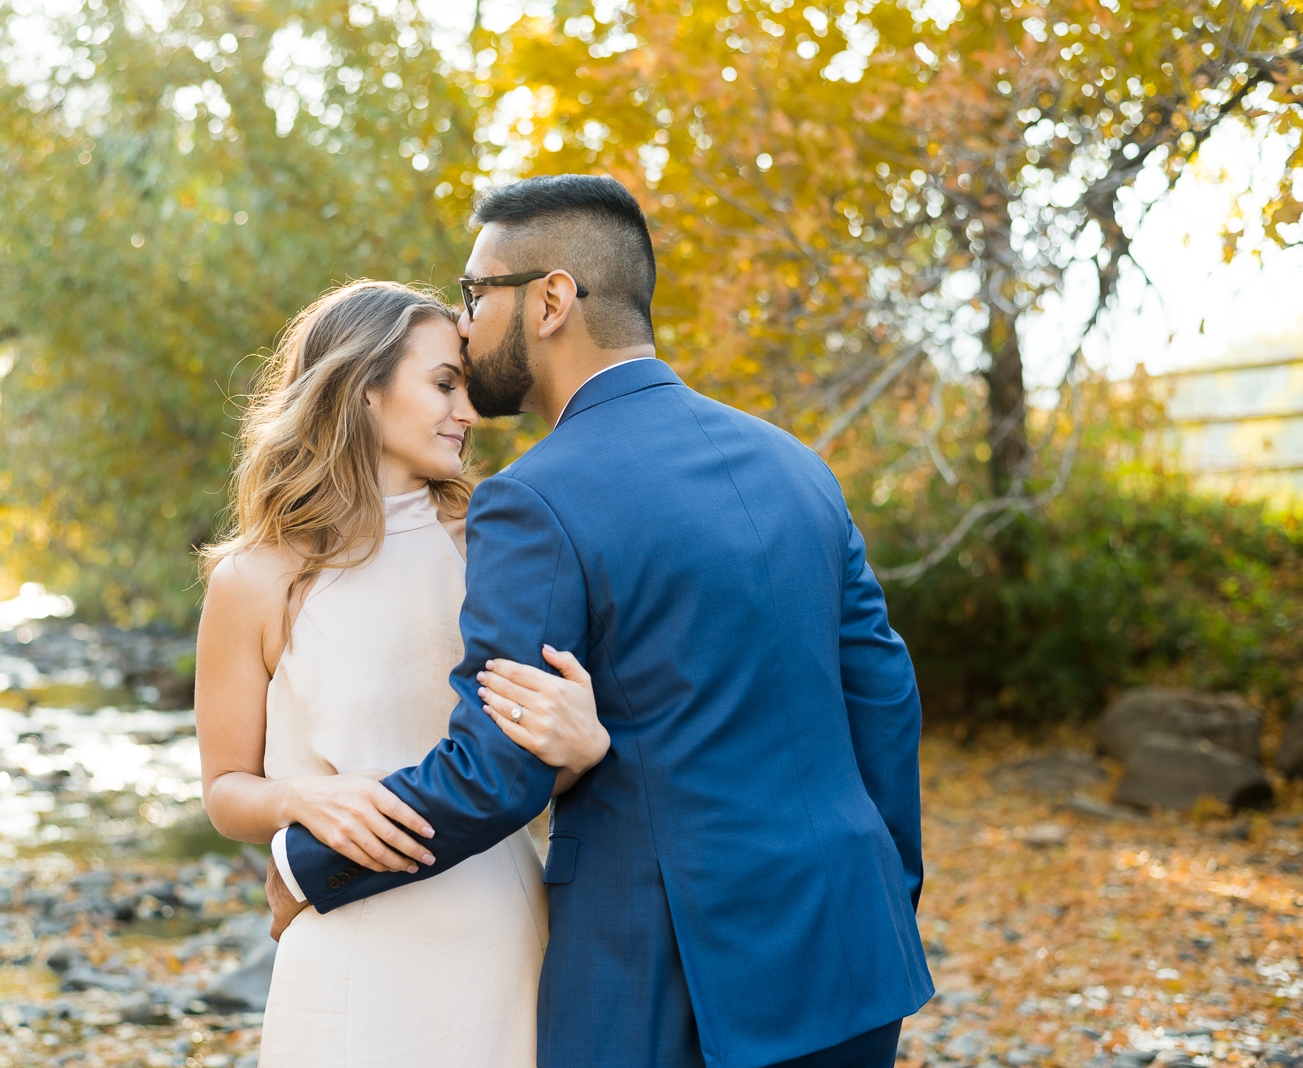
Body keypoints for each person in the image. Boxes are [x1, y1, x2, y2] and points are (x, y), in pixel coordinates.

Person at [268, 175, 935, 1068]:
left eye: (477, 294)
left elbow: (497, 769)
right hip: (852, 949)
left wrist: (306, 865)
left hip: (665, 977)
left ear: (550, 300)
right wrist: (886, 889)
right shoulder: (797, 467)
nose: (464, 326)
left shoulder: (536, 500)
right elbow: (885, 698)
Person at [193, 279, 611, 1068]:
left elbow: (515, 764)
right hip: (347, 946)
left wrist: (584, 748)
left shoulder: (497, 544)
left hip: (498, 936)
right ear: (363, 391)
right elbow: (224, 791)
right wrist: (299, 798)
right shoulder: (253, 580)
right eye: (445, 384)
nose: (468, 411)